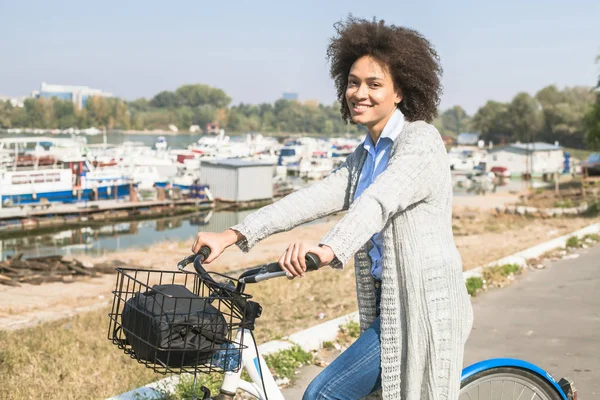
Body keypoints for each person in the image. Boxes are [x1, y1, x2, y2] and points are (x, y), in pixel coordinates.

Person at [192, 16, 473, 400]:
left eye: (374, 84)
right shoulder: (366, 155)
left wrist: (326, 249)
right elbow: (311, 198)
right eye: (353, 82)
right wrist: (233, 234)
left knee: (323, 394)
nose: (360, 92)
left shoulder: (420, 142)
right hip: (387, 308)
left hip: (420, 308)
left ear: (401, 91)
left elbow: (378, 202)